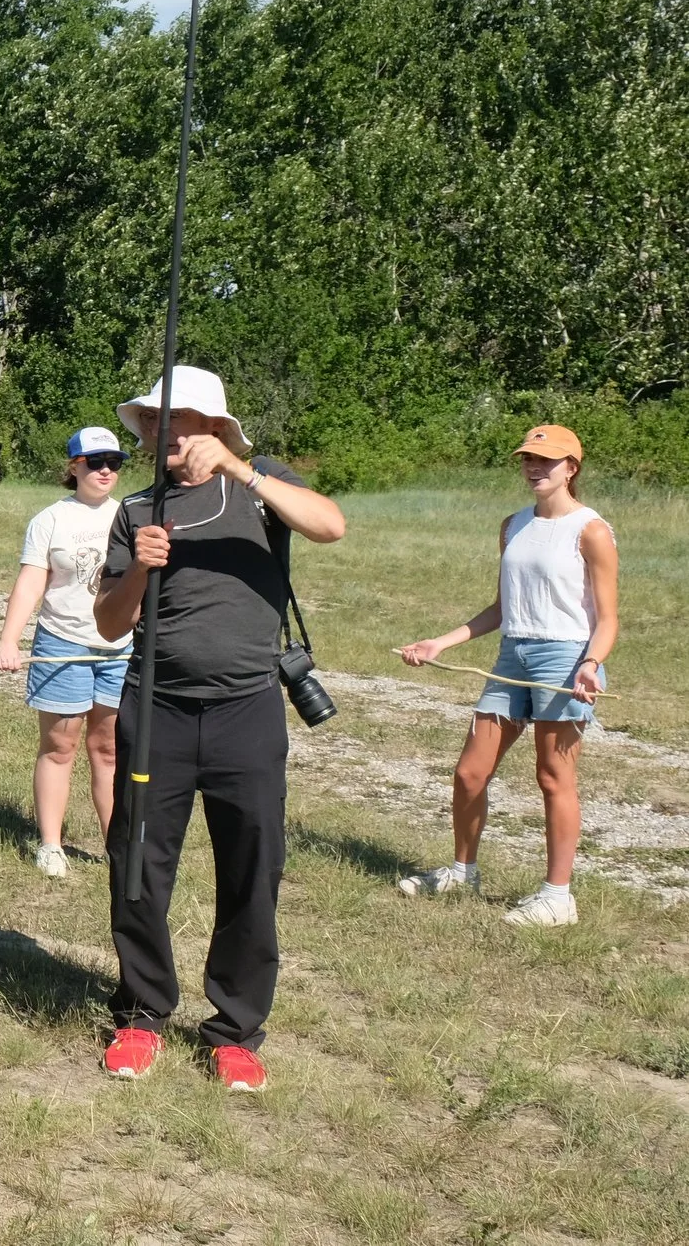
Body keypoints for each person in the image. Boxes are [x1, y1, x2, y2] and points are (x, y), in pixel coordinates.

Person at [90, 367, 345, 1094]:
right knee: (136, 863)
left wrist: (240, 468)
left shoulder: (261, 486)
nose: (168, 434)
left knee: (251, 869)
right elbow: (109, 621)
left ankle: (235, 1029)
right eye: (157, 422)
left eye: (184, 420)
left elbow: (331, 525)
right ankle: (141, 1013)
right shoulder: (138, 508)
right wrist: (138, 570)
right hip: (156, 706)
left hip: (247, 709)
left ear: (217, 426)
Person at [394, 424, 619, 927]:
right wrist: (441, 642)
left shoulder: (591, 530)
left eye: (547, 460)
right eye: (528, 459)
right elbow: (502, 608)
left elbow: (607, 618)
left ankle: (558, 898)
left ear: (571, 468)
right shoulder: (512, 525)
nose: (535, 468)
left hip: (566, 657)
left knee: (552, 776)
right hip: (513, 653)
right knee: (470, 773)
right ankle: (461, 871)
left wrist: (589, 663)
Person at [0, 427, 133, 877]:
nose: (106, 469)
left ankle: (118, 848)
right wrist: (9, 639)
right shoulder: (50, 520)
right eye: (95, 462)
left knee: (109, 748)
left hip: (120, 647)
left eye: (114, 460)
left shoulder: (131, 515)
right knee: (60, 744)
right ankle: (51, 845)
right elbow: (32, 581)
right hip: (62, 643)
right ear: (74, 467)